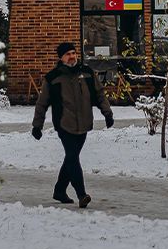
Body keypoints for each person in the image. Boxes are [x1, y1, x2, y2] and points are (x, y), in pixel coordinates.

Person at [31, 42, 114, 207]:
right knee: (73, 158)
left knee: (71, 158)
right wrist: (37, 125)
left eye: (74, 53)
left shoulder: (87, 73)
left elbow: (99, 94)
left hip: (83, 123)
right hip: (64, 124)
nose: (72, 56)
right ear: (61, 57)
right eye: (68, 54)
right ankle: (82, 194)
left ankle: (59, 190)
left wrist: (107, 113)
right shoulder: (53, 77)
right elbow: (42, 103)